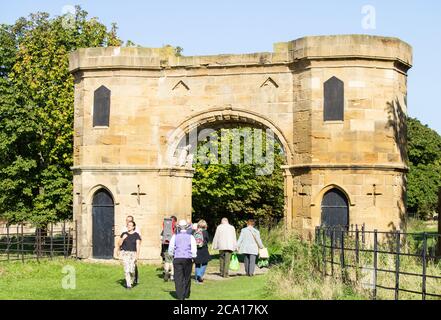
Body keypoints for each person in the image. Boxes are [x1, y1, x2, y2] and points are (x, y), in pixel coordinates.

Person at [168, 220, 197, 300]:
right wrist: (193, 257)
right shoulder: (191, 237)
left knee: (178, 277)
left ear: (179, 227)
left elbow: (171, 248)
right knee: (187, 277)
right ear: (187, 227)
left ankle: (180, 295)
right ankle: (186, 293)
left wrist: (172, 254)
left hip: (177, 258)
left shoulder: (175, 236)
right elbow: (193, 249)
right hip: (188, 258)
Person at [118, 220, 141, 289]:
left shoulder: (136, 235)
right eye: (128, 225)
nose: (129, 226)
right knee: (126, 270)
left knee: (132, 270)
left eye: (130, 225)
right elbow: (119, 244)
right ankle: (128, 285)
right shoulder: (124, 234)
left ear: (133, 227)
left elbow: (138, 245)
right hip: (125, 253)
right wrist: (123, 238)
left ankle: (132, 279)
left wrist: (137, 255)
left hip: (133, 253)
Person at [161, 215, 177, 282]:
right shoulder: (176, 229)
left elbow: (161, 238)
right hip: (174, 248)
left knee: (167, 261)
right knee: (173, 262)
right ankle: (172, 276)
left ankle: (166, 273)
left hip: (166, 247)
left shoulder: (165, 229)